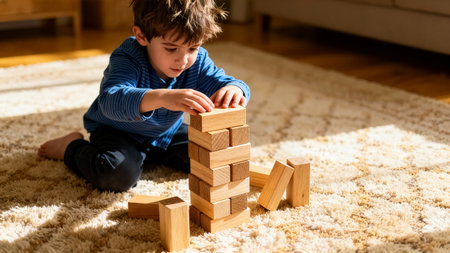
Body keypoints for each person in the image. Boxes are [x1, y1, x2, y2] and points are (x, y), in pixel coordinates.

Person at [38, 0, 250, 192]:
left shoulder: (198, 61)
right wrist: (164, 97)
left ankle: (153, 156)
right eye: (171, 49)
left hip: (165, 134)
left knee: (217, 156)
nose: (183, 60)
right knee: (116, 175)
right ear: (141, 36)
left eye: (193, 48)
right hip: (117, 132)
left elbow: (224, 81)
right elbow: (111, 100)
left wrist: (234, 89)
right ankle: (70, 147)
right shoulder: (128, 57)